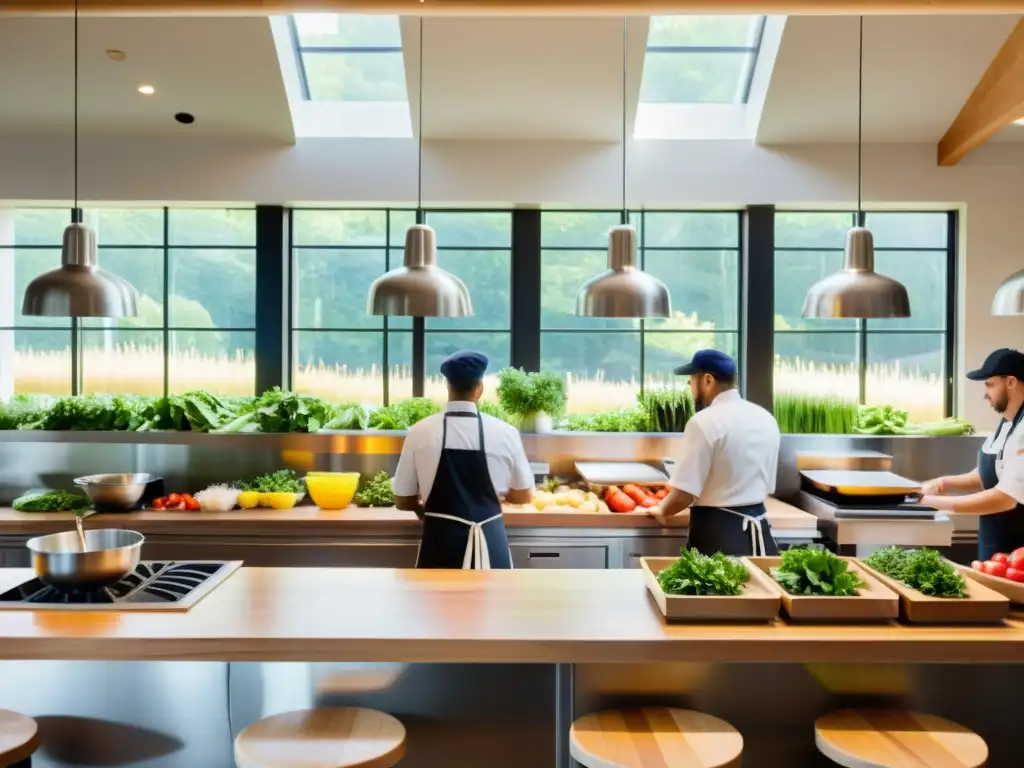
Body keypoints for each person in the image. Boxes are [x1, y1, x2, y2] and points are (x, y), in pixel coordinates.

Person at [392, 350, 534, 569]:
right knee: (493, 603)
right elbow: (524, 494)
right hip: (490, 543)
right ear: (480, 388)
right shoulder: (505, 432)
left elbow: (402, 500)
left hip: (439, 544)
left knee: (434, 603)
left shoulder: (420, 432)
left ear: (448, 386)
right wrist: (494, 502)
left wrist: (429, 513)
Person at [648, 349, 782, 556]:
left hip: (719, 541)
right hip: (762, 539)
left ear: (707, 380)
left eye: (692, 380)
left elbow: (684, 494)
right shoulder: (766, 418)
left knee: (716, 589)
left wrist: (661, 510)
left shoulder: (703, 422)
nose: (690, 387)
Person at [921, 348, 1024, 561]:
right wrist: (944, 482)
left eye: (989, 384)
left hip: (1017, 554)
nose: (985, 393)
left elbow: (1005, 499)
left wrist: (931, 502)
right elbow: (986, 474)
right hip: (995, 544)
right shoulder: (1007, 423)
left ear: (1011, 382)